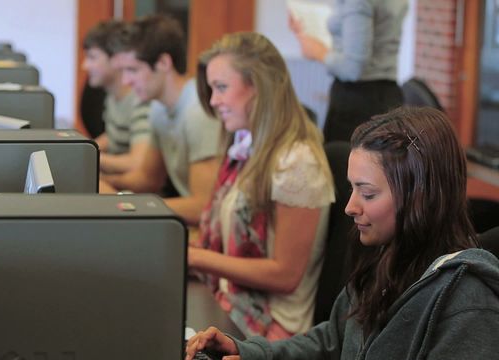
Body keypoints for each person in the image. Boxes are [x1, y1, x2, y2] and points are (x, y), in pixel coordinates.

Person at [184, 106, 499, 360]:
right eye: (352, 189)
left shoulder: (468, 304)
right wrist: (248, 351)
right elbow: (333, 341)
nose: (350, 206)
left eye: (368, 193)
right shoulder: (383, 260)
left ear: (420, 197)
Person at [189, 32, 335, 340]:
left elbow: (285, 274)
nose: (214, 101)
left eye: (222, 87)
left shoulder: (297, 162)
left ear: (259, 86)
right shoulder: (247, 146)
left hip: (272, 329)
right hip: (233, 304)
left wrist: (195, 257)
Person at [101, 14, 221, 225]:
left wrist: (124, 205)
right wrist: (100, 184)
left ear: (164, 63)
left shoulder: (197, 113)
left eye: (133, 70)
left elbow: (203, 206)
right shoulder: (158, 108)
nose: (127, 81)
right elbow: (148, 179)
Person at [289, 0, 408, 143]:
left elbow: (353, 68)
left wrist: (318, 52)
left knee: (344, 162)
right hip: (384, 94)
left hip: (358, 101)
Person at [81, 20, 152, 174]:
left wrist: (87, 156)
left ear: (116, 59)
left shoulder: (140, 100)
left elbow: (137, 163)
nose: (85, 66)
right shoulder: (112, 95)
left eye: (92, 57)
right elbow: (113, 135)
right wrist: (85, 147)